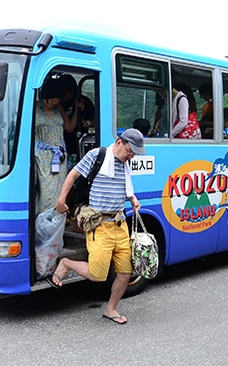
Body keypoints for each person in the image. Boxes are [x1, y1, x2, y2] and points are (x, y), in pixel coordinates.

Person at [48, 129, 146, 324]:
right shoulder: (97, 156)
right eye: (129, 151)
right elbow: (72, 176)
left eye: (134, 153)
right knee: (97, 274)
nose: (131, 156)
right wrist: (61, 200)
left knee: (125, 274)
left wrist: (133, 199)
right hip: (99, 226)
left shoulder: (125, 164)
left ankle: (111, 309)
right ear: (119, 142)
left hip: (120, 224)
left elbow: (124, 186)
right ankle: (66, 264)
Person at [34, 77, 83, 216]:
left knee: (61, 190)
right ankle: (43, 222)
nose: (55, 102)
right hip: (42, 157)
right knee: (45, 191)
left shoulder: (58, 108)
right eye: (52, 99)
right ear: (45, 96)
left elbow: (69, 127)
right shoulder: (34, 107)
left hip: (59, 156)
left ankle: (56, 222)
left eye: (58, 99)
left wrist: (78, 112)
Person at [58, 74, 95, 157]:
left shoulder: (84, 101)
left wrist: (88, 123)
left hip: (78, 145)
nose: (60, 96)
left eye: (63, 92)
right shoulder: (57, 103)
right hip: (60, 145)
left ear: (71, 90)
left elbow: (97, 120)